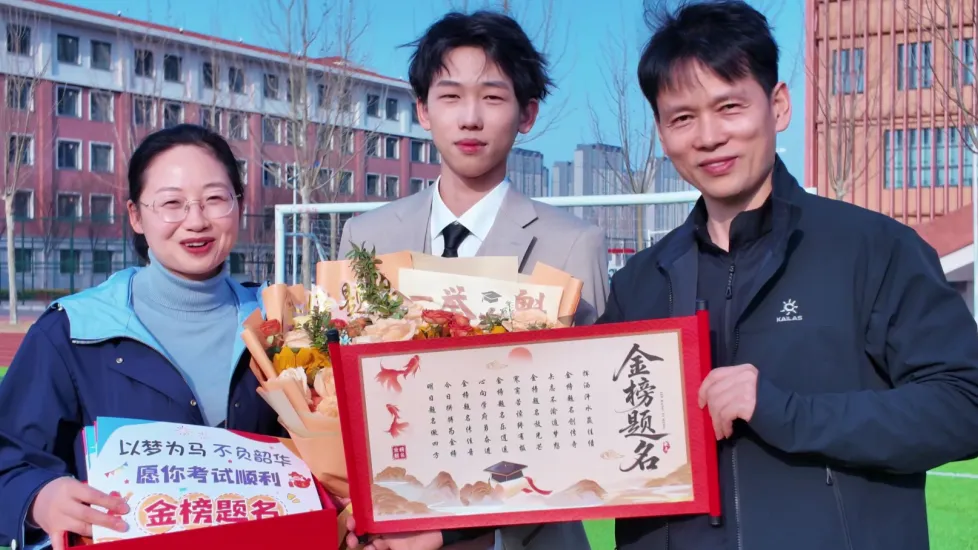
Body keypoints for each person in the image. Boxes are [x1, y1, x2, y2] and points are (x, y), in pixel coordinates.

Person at [600, 1, 978, 549]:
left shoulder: (873, 248)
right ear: (661, 133)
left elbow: (964, 404)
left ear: (778, 106)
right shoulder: (638, 282)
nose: (708, 136)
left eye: (729, 107)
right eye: (682, 118)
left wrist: (785, 411)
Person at [338, 10, 604, 550]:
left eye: (493, 97)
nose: (470, 118)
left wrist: (456, 522)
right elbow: (341, 399)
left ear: (527, 114)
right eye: (451, 96)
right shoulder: (365, 236)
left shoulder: (574, 244)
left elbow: (588, 419)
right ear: (423, 110)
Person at [0, 124, 281, 550]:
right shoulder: (73, 330)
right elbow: (8, 460)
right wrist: (39, 499)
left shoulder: (281, 323)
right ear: (135, 215)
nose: (196, 221)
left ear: (238, 205)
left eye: (214, 199)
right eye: (171, 203)